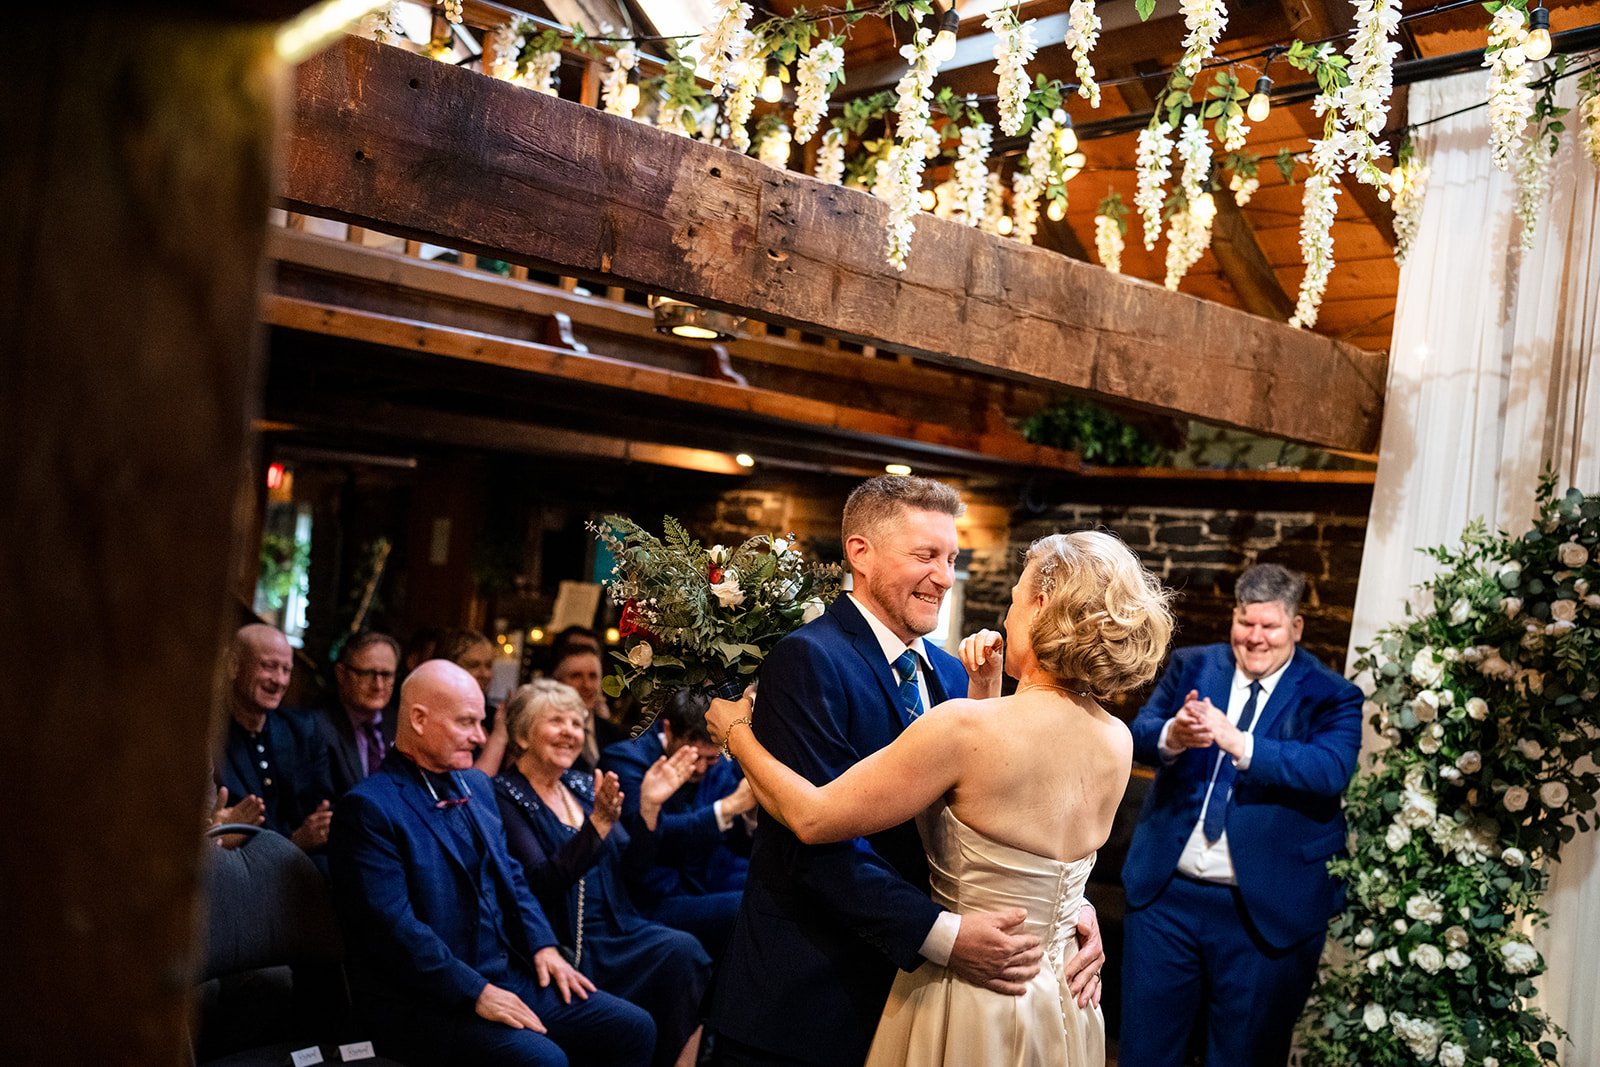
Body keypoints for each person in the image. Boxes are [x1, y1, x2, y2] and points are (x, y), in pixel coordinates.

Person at [708, 529, 1171, 1067]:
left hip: (969, 995)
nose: (1007, 615)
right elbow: (1031, 850)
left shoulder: (964, 727)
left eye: (1016, 597)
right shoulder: (1117, 739)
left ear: (1044, 604)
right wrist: (1075, 911)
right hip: (1058, 994)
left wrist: (736, 733)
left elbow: (812, 818)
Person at [328, 660, 654, 1067]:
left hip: (508, 973)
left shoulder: (477, 786)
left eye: (481, 722)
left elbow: (513, 878)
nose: (480, 737)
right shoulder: (369, 808)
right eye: (467, 723)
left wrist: (543, 944)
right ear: (418, 719)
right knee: (544, 1060)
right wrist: (475, 991)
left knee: (633, 1027)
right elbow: (394, 930)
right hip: (427, 998)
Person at [1118, 563, 1364, 1067]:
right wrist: (1172, 736)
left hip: (1263, 912)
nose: (1254, 638)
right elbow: (1136, 735)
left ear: (1295, 627)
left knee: (1242, 1055)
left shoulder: (1332, 694)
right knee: (1146, 1051)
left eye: (1269, 626)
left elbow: (1330, 770)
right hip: (1166, 898)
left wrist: (1240, 743)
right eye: (1245, 623)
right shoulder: (1191, 666)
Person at [495, 680, 711, 1067]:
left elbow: (633, 869)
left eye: (577, 724)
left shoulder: (581, 784)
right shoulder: (506, 795)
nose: (570, 732)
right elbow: (540, 881)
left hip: (621, 927)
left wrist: (647, 808)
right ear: (522, 735)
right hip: (570, 941)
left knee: (686, 954)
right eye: (556, 721)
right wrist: (596, 825)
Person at [599, 688, 755, 960]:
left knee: (771, 894)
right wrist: (725, 809)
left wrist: (749, 816)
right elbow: (651, 834)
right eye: (694, 757)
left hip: (705, 880)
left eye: (712, 758)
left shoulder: (716, 762)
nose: (702, 768)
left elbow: (736, 838)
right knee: (744, 907)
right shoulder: (625, 759)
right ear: (668, 730)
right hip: (648, 897)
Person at [216, 623, 334, 853]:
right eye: (269, 666)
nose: (279, 680)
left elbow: (323, 814)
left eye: (286, 670)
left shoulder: (304, 731)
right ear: (233, 665)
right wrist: (293, 843)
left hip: (303, 872)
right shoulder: (210, 735)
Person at [313, 631, 400, 797]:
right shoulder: (317, 728)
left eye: (387, 675)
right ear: (341, 673)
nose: (378, 685)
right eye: (367, 674)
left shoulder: (401, 726)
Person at [551, 647, 626, 770]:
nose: (587, 685)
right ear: (558, 682)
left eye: (593, 676)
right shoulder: (548, 732)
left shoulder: (614, 734)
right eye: (576, 676)